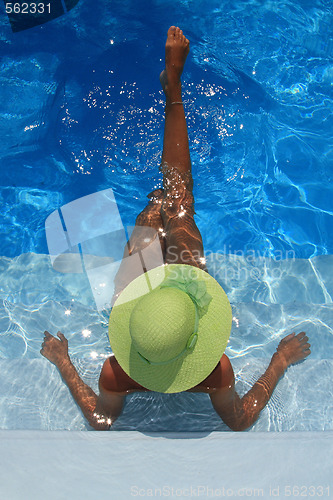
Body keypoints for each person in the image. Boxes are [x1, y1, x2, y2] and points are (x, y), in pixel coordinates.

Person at [40, 26, 311, 431]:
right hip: (150, 303)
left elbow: (100, 418)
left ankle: (172, 91)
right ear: (198, 338)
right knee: (176, 199)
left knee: (161, 206)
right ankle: (173, 90)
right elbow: (239, 419)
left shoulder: (118, 374)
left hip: (147, 305)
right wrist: (279, 361)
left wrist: (64, 362)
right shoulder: (216, 374)